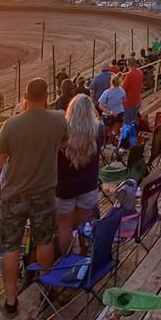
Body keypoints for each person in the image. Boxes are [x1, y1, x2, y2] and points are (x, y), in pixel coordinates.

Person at [0, 79, 67, 320]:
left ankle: (11, 300)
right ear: (46, 96)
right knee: (44, 241)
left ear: (25, 96)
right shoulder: (57, 120)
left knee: (10, 246)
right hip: (44, 191)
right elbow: (64, 144)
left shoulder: (11, 124)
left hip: (15, 194)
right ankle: (46, 287)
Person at [56, 95, 103, 255]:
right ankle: (84, 255)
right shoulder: (99, 129)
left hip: (64, 186)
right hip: (88, 184)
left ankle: (67, 260)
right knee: (86, 223)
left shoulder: (61, 132)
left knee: (64, 226)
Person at [123, 57, 144, 125]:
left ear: (127, 65)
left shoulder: (129, 75)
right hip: (137, 101)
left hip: (129, 103)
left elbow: (123, 89)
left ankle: (129, 135)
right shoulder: (140, 72)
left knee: (127, 123)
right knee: (134, 120)